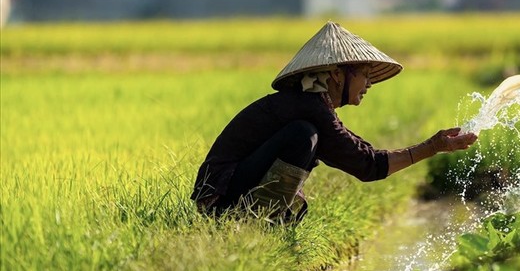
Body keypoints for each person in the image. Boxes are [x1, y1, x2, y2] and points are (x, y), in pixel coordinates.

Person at [190, 21, 478, 222]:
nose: (368, 84)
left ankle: (262, 216)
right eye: (364, 74)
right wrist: (432, 146)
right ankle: (255, 218)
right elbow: (367, 166)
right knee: (304, 136)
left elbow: (362, 155)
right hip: (219, 196)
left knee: (307, 135)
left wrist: (434, 146)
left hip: (225, 191)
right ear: (338, 74)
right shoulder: (308, 108)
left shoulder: (311, 105)